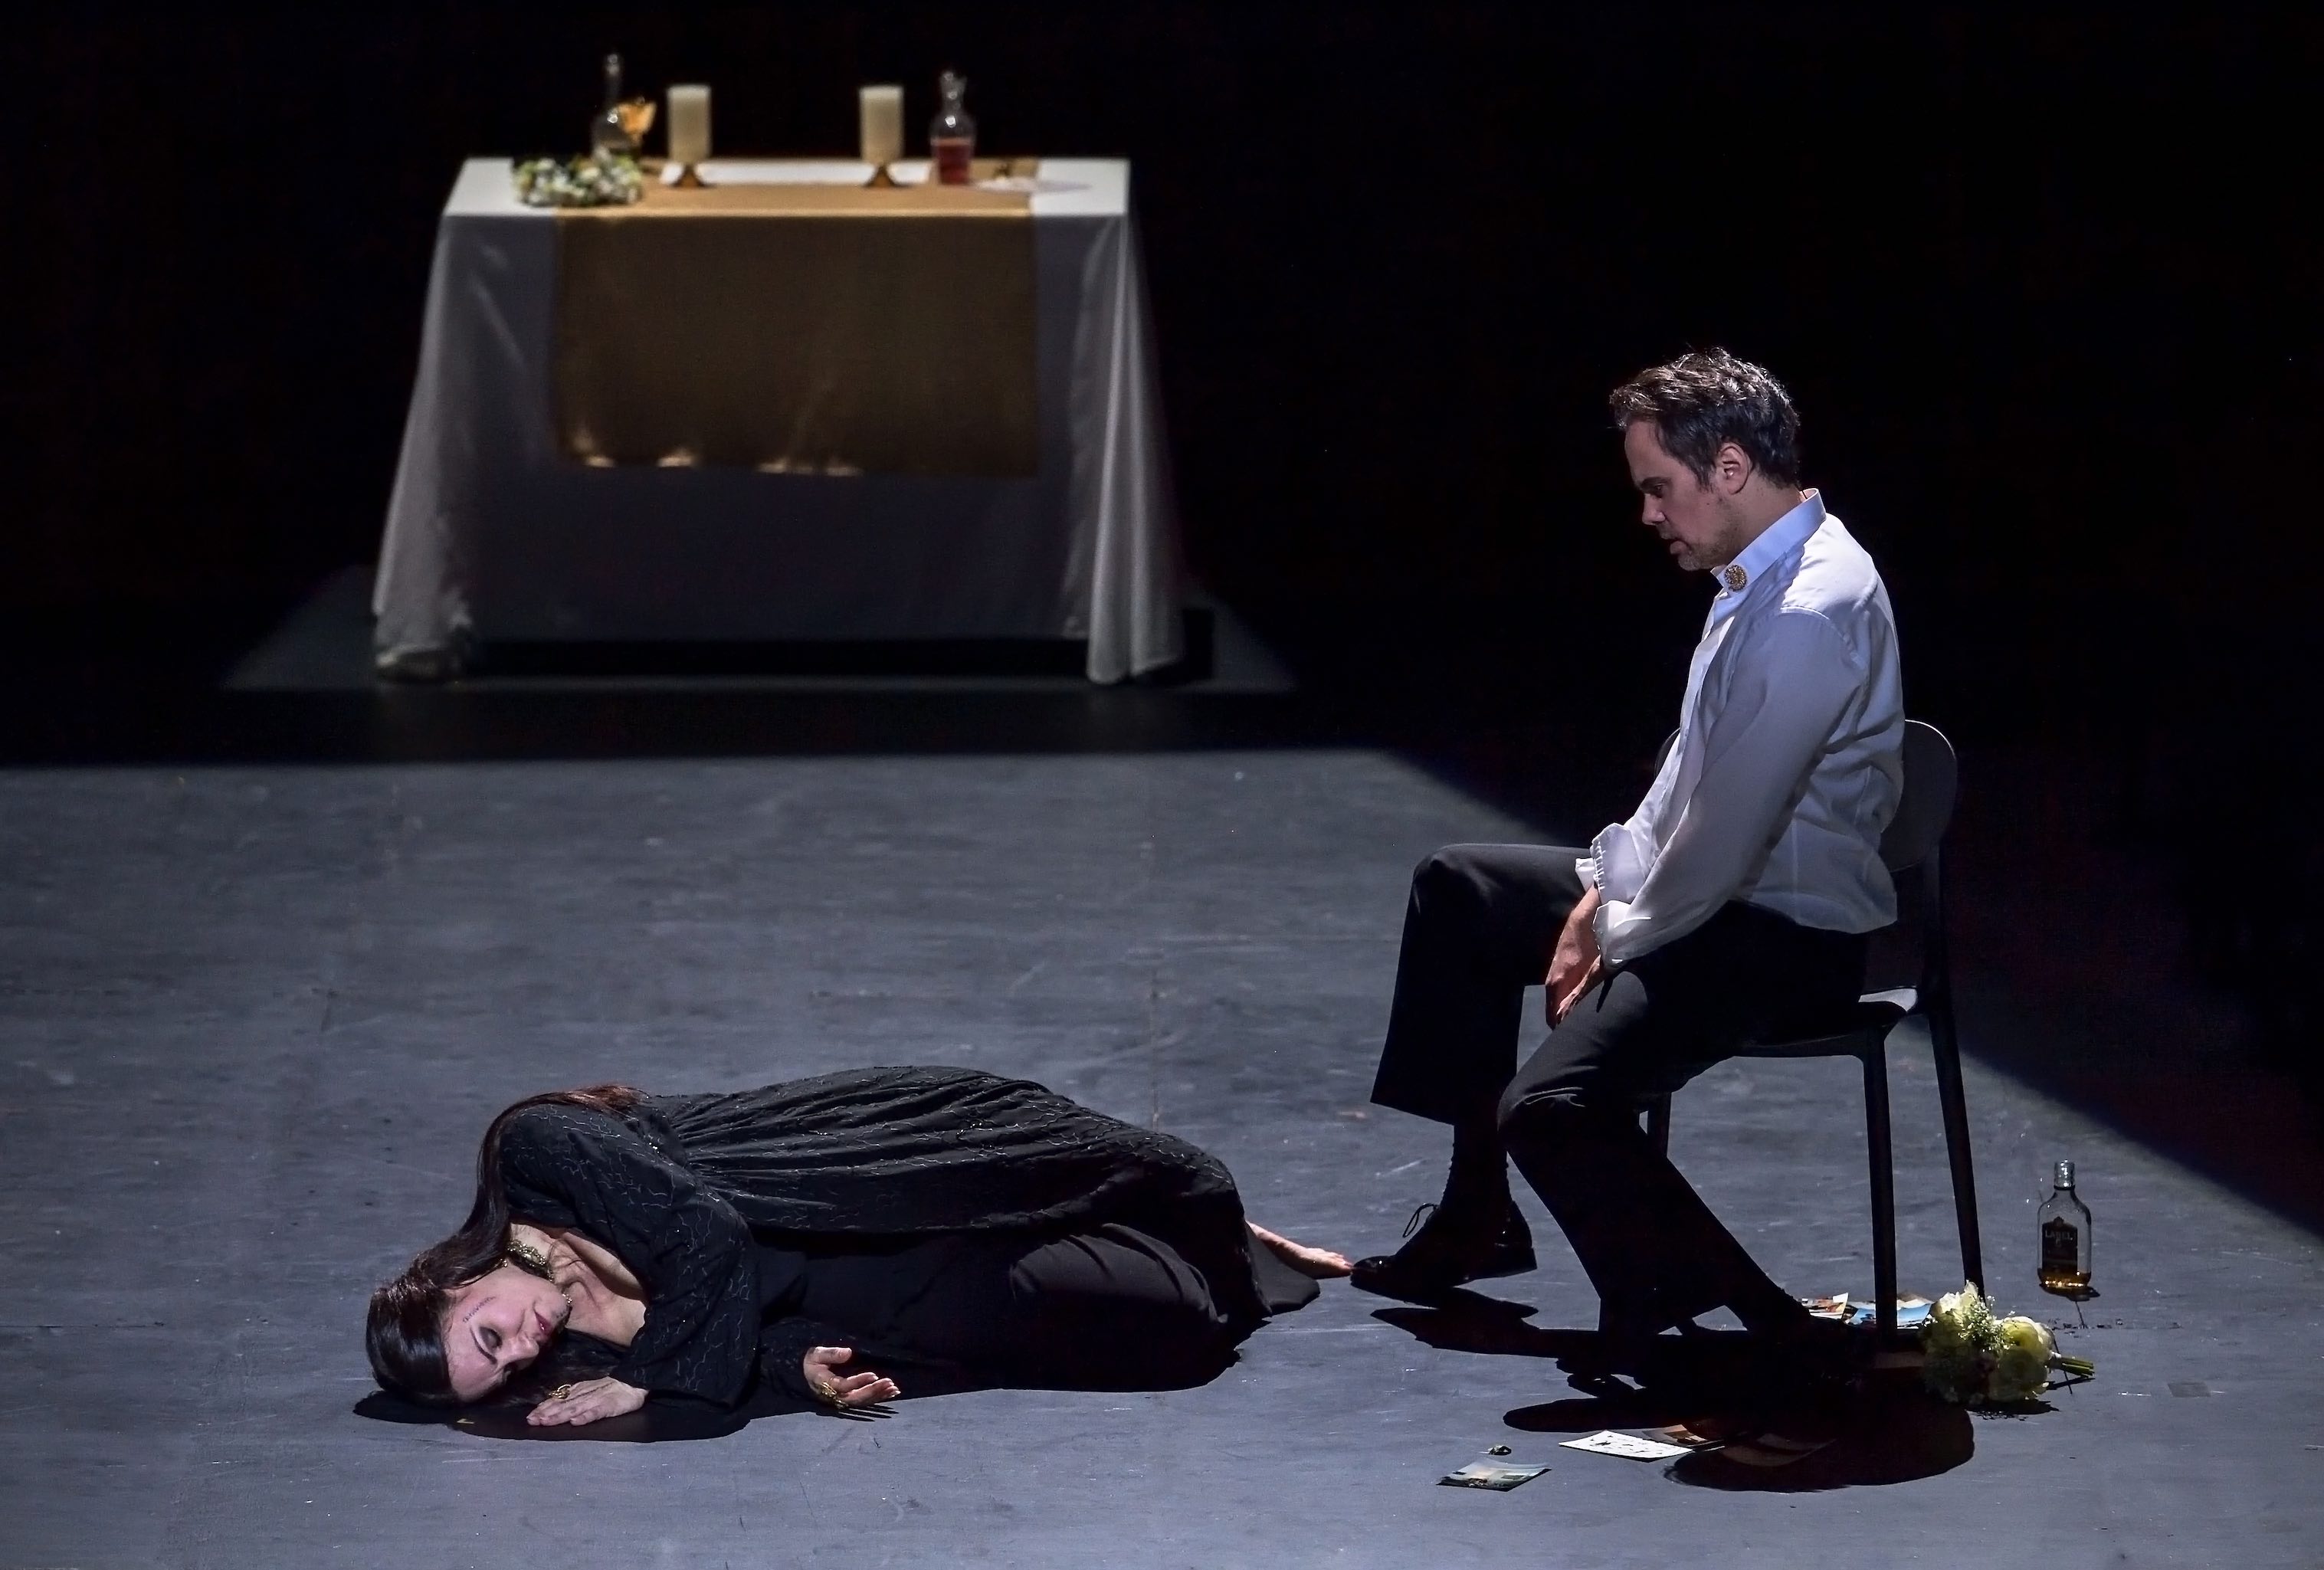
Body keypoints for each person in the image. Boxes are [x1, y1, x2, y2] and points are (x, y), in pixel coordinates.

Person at [1352, 349, 1903, 1375]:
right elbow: (1682, 779)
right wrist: (1601, 891)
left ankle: (1761, 1318)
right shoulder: (1754, 575)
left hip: (1784, 937)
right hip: (1713, 898)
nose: (1648, 514)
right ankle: (1478, 1214)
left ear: (1729, 468)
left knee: (1548, 1109)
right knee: (1460, 890)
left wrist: (1608, 929)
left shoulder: (1807, 609)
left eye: (1659, 488)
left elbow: (1726, 838)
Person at [369, 1065, 1349, 1424]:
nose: (526, 1348)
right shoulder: (572, 1349)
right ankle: (1168, 1237)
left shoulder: (535, 1150)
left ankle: (1189, 1223)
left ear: (453, 1278)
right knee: (1178, 1335)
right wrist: (796, 1370)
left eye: (491, 1335)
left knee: (1150, 1185)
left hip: (888, 1185)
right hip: (898, 1302)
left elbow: (706, 1235)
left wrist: (644, 1378)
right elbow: (742, 1344)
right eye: (506, 1372)